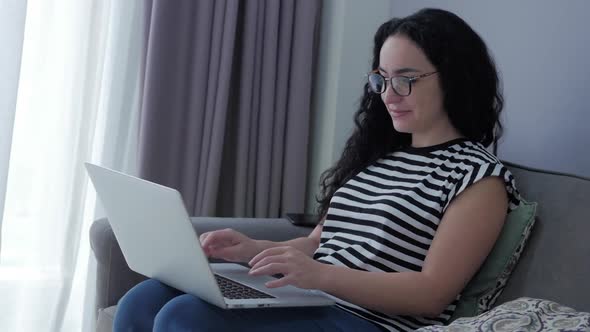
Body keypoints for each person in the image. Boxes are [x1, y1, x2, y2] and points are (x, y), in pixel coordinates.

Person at [113, 8, 521, 332]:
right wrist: (250, 248)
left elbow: (431, 293)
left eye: (407, 80)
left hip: (369, 321)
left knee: (185, 318)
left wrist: (320, 277)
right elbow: (318, 244)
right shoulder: (379, 157)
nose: (389, 96)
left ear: (454, 78)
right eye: (382, 80)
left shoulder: (478, 178)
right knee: (145, 299)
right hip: (316, 300)